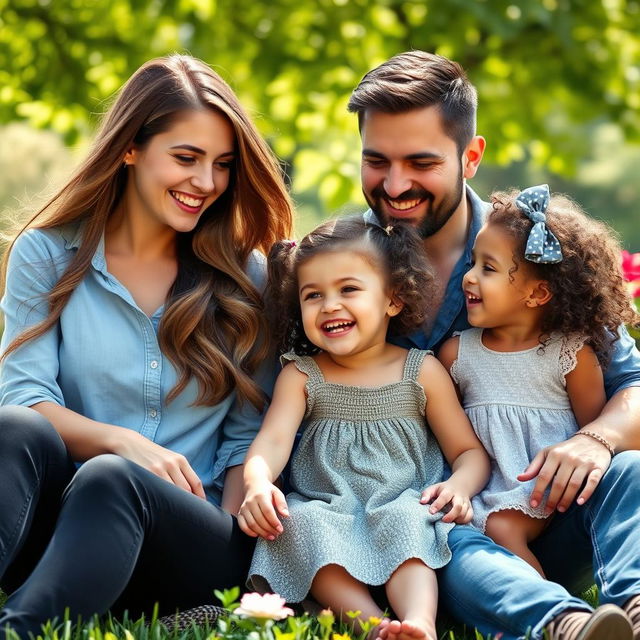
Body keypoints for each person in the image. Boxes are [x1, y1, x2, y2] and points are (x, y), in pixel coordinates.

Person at [347, 51, 640, 640]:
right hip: (436, 539)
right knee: (439, 540)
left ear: (470, 157)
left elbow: (631, 386)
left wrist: (594, 439)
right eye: (377, 161)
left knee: (630, 470)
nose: (396, 184)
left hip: (552, 512)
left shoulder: (533, 252)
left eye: (421, 162)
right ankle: (563, 627)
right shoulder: (342, 271)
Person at [0, 54, 292, 637]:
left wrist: (237, 553)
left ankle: (20, 630)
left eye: (222, 165)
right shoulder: (47, 254)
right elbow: (24, 394)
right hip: (68, 533)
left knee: (113, 479)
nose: (205, 183)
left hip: (189, 544)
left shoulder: (246, 278)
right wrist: (122, 442)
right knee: (14, 429)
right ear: (130, 148)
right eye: (185, 158)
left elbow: (245, 440)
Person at [238, 216, 490, 640]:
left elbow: (468, 452)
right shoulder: (302, 375)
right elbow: (273, 440)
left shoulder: (421, 370)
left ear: (393, 299)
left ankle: (418, 624)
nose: (330, 305)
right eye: (313, 295)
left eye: (348, 289)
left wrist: (460, 487)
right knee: (298, 524)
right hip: (329, 507)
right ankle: (371, 626)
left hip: (402, 500)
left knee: (410, 521)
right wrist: (257, 482)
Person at [437, 184, 639, 577]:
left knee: (501, 527)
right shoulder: (457, 354)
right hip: (485, 485)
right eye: (472, 264)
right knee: (481, 526)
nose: (469, 278)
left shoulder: (571, 354)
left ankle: (553, 611)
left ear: (538, 293)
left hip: (548, 485)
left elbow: (591, 430)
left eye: (488, 269)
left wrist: (590, 451)